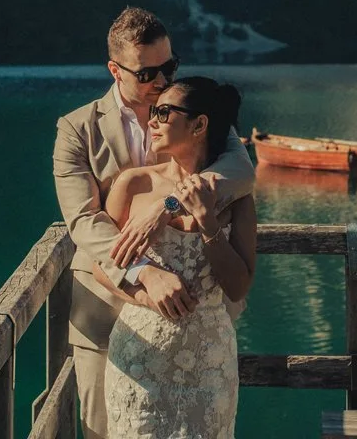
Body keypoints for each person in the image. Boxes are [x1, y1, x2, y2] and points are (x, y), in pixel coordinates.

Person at [52, 7, 255, 439]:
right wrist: (143, 273)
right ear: (115, 69)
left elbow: (243, 174)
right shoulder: (76, 130)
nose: (161, 81)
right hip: (109, 315)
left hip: (198, 335)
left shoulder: (195, 109)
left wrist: (163, 207)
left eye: (170, 66)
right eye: (148, 73)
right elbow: (86, 222)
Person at [96, 76, 256, 439]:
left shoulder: (237, 195)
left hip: (209, 364)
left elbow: (238, 286)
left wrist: (207, 224)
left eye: (163, 113)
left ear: (199, 125)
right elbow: (101, 266)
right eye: (153, 111)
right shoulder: (134, 184)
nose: (150, 120)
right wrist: (146, 294)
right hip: (140, 358)